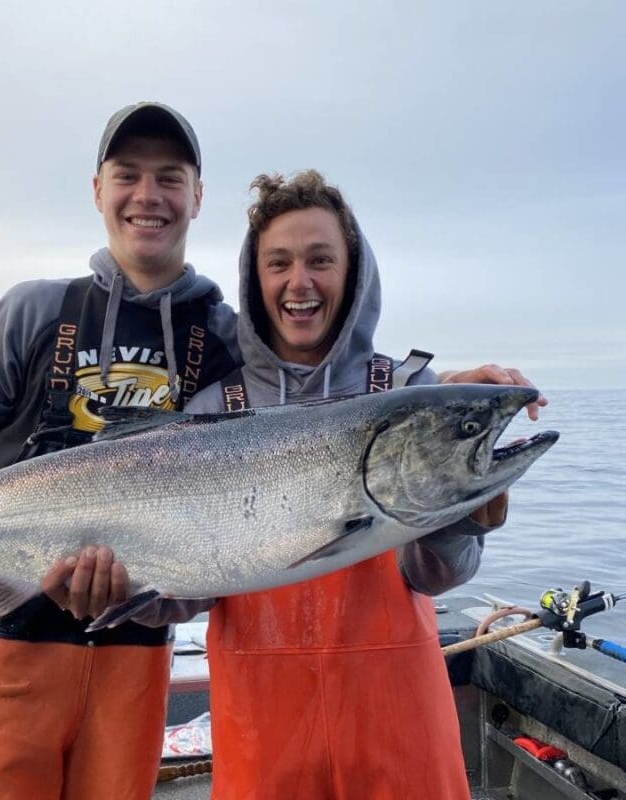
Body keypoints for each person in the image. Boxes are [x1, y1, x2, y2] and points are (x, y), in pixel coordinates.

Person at [0, 101, 241, 800]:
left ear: (198, 196)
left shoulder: (228, 338)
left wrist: (427, 385)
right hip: (3, 641)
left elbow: (319, 390)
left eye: (170, 177)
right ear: (98, 190)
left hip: (134, 655)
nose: (148, 195)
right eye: (127, 175)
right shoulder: (32, 312)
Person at [183, 170, 546, 800]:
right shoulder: (214, 411)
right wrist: (124, 585)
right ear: (255, 279)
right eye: (279, 263)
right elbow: (186, 591)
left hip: (397, 732)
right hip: (263, 735)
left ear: (352, 273)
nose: (300, 281)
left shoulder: (410, 393)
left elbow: (439, 577)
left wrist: (464, 517)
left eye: (321, 259)